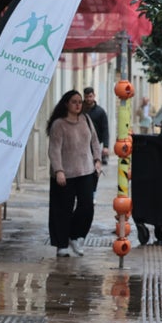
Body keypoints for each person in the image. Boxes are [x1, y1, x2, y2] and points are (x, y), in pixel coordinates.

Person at [47, 90, 102, 258]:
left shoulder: (86, 119)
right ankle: (62, 245)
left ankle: (76, 236)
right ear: (66, 104)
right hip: (65, 173)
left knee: (87, 206)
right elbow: (54, 150)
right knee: (62, 209)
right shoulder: (59, 124)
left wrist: (97, 160)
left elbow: (94, 141)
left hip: (86, 171)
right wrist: (59, 171)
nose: (78, 104)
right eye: (74, 102)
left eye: (80, 102)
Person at [82, 86, 110, 165]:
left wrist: (106, 146)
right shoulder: (80, 110)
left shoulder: (100, 112)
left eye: (90, 96)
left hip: (95, 143)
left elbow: (105, 129)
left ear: (94, 96)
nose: (88, 99)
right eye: (86, 97)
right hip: (82, 143)